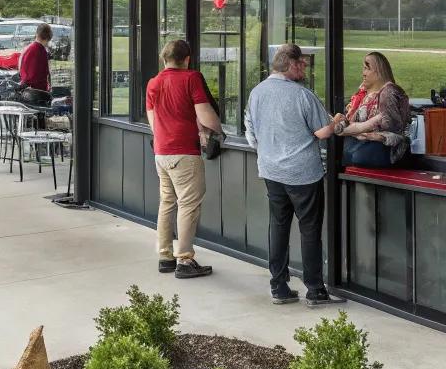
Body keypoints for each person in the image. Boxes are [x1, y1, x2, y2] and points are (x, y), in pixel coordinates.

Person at [244, 43, 346, 306]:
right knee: (310, 229)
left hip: (271, 170)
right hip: (302, 173)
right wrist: (337, 121)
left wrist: (268, 150)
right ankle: (315, 290)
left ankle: (278, 286)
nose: (304, 68)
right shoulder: (302, 95)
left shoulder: (257, 93)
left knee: (278, 226)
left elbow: (250, 132)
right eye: (301, 63)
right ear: (289, 64)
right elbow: (323, 132)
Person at [145, 38, 222, 280]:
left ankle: (165, 256)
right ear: (187, 59)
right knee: (188, 204)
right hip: (184, 153)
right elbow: (205, 114)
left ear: (164, 59)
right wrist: (220, 130)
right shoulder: (191, 78)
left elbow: (152, 119)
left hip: (161, 152)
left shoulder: (154, 82)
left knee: (167, 202)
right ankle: (185, 260)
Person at [334, 52, 411, 168]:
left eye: (367, 69)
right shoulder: (364, 93)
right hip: (359, 141)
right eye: (363, 69)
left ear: (379, 71)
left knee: (358, 156)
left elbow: (390, 125)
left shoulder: (388, 92)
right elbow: (352, 120)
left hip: (384, 147)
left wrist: (361, 128)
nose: (363, 73)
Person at [18, 23, 52, 101]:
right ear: (48, 38)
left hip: (26, 91)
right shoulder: (41, 51)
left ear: (37, 34)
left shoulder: (28, 48)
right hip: (38, 93)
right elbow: (45, 73)